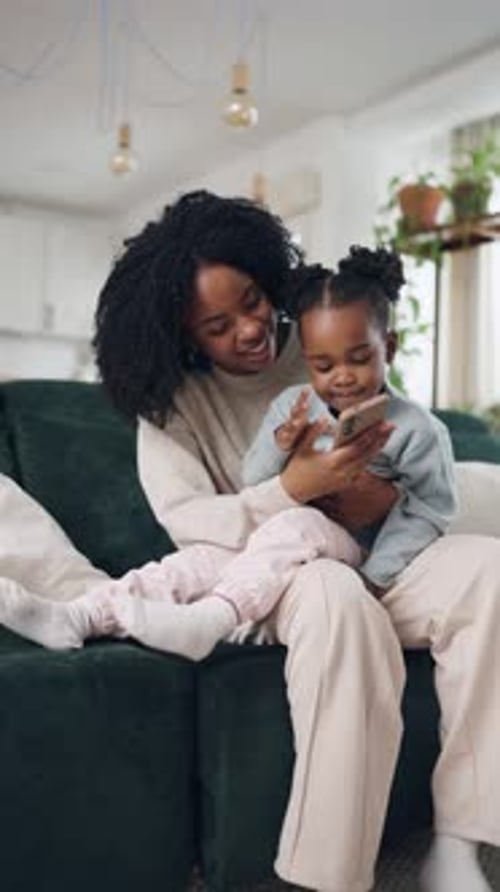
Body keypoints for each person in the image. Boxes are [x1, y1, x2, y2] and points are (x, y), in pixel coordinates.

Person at [0, 191, 498, 892]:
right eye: (217, 324)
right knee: (335, 600)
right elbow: (191, 523)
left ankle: (458, 843)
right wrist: (293, 488)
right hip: (269, 576)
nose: (250, 329)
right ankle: (331, 879)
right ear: (181, 333)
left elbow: (400, 446)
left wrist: (383, 500)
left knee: (489, 571)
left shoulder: (325, 338)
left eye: (255, 299)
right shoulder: (168, 405)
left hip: (376, 551)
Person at [243, 248, 457, 599]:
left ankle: (232, 607)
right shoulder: (292, 407)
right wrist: (281, 443)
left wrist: (375, 576)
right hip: (300, 550)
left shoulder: (418, 429)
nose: (342, 377)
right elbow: (251, 481)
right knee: (206, 561)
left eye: (359, 359)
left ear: (388, 348)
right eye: (323, 367)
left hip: (374, 561)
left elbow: (431, 510)